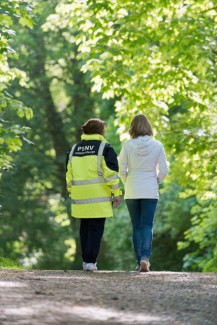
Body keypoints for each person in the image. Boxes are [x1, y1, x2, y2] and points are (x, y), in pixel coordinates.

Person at [66, 118, 121, 271]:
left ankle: (86, 261)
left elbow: (69, 174)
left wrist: (71, 190)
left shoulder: (74, 149)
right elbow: (110, 174)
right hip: (98, 197)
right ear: (101, 131)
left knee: (84, 228)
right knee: (96, 229)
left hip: (79, 196)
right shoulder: (105, 148)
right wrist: (116, 193)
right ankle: (91, 262)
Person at [119, 113, 168, 272]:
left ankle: (138, 259)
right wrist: (157, 180)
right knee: (147, 225)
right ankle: (145, 258)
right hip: (149, 190)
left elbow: (121, 169)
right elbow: (164, 169)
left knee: (136, 226)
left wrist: (128, 182)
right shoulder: (158, 145)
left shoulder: (127, 145)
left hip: (132, 189)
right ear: (149, 127)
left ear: (132, 127)